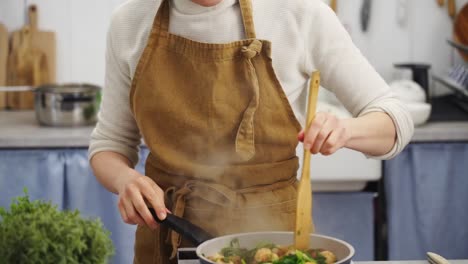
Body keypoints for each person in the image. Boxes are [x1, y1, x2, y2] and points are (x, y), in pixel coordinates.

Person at [89, 0, 414, 263]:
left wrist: (346, 130)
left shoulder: (300, 13)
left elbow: (395, 121)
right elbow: (109, 144)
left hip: (277, 246)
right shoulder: (130, 21)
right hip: (165, 239)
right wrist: (125, 180)